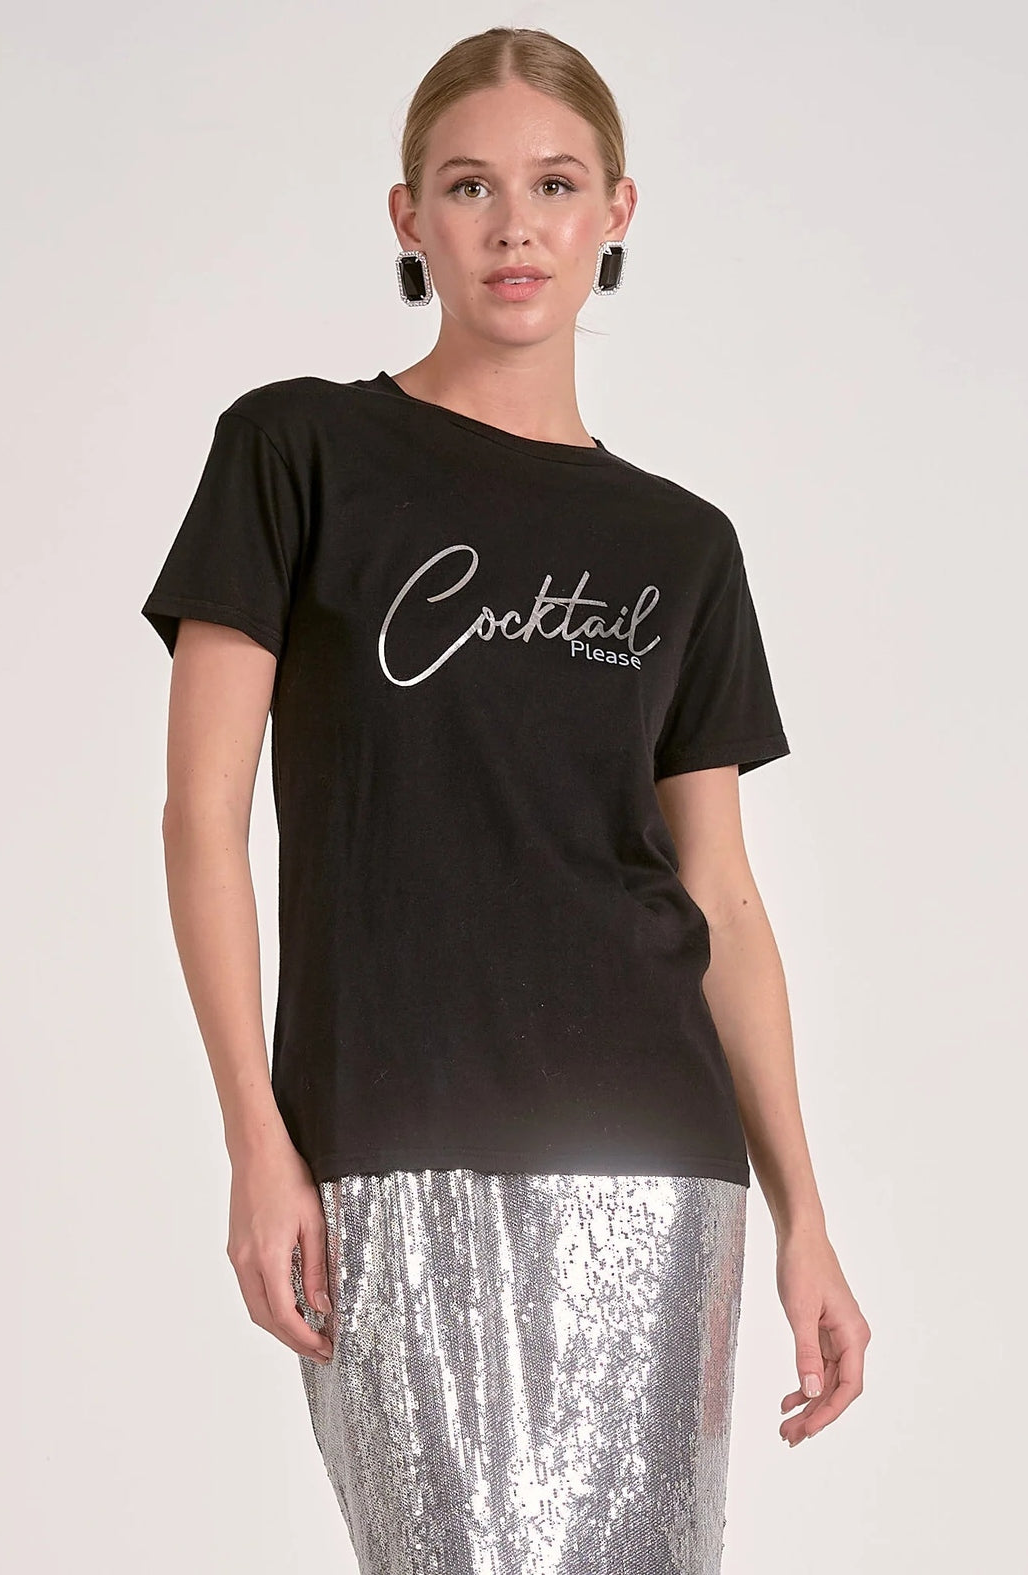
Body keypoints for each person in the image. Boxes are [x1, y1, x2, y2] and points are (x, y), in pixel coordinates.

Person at [140, 24, 870, 1575]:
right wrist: (254, 1139)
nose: (514, 225)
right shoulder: (297, 451)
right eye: (470, 186)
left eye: (553, 184)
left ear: (616, 210)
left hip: (654, 1163)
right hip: (390, 1139)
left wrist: (804, 1213)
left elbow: (722, 897)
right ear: (408, 217)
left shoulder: (682, 545)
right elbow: (201, 820)